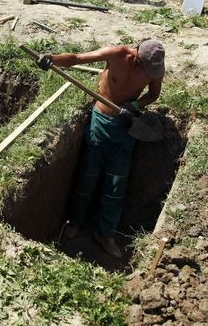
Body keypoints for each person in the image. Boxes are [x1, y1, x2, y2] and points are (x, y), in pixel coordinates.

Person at [37, 39, 165, 259]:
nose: (147, 71)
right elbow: (78, 58)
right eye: (144, 65)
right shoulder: (116, 54)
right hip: (100, 123)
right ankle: (76, 222)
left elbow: (153, 94)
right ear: (135, 54)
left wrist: (134, 106)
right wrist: (53, 59)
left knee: (115, 187)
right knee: (88, 177)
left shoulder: (154, 71)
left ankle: (106, 235)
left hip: (125, 129)